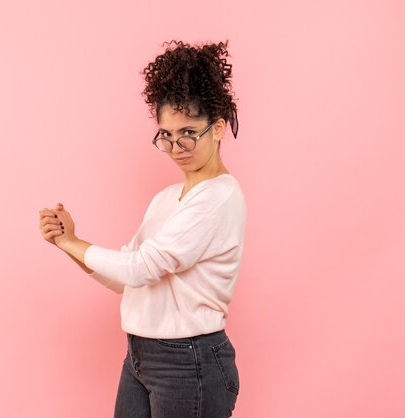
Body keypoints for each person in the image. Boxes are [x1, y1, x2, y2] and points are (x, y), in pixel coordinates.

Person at [38, 39, 246, 418]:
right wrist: (67, 246)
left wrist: (74, 241)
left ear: (217, 129)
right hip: (140, 356)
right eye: (165, 135)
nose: (175, 146)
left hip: (189, 362)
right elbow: (128, 276)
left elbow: (140, 267)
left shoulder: (219, 197)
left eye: (187, 131)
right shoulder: (167, 199)